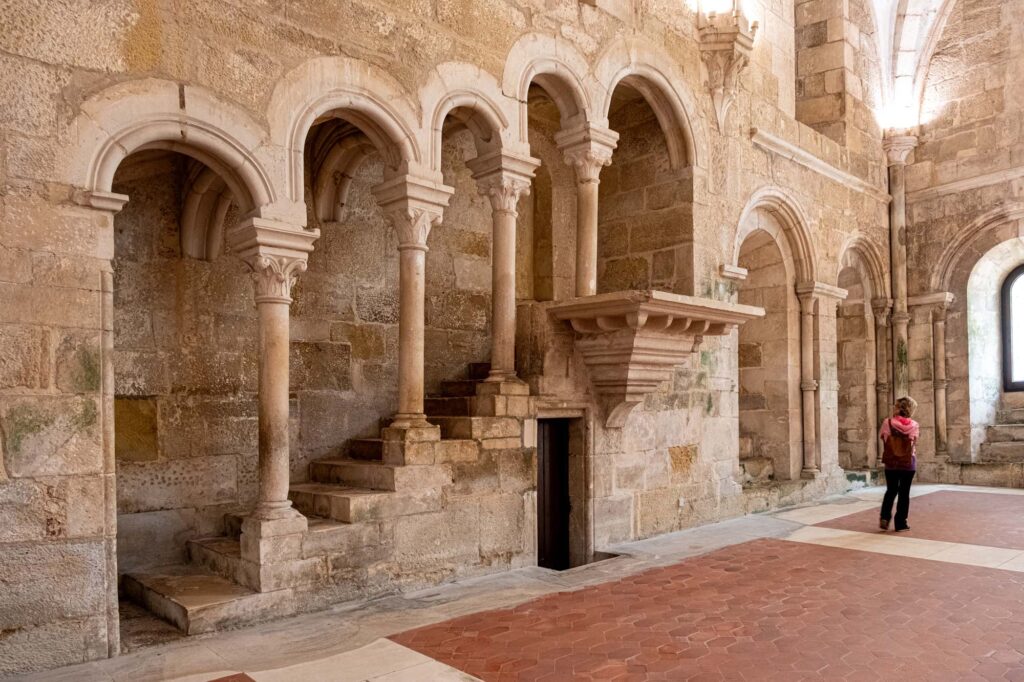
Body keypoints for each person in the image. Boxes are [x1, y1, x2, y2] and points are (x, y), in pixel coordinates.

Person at [879, 396, 919, 532]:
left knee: (891, 490)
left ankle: (884, 517)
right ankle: (901, 523)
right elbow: (914, 442)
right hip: (908, 463)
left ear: (897, 408)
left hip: (892, 462)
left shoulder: (887, 422)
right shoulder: (914, 425)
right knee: (904, 493)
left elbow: (884, 439)